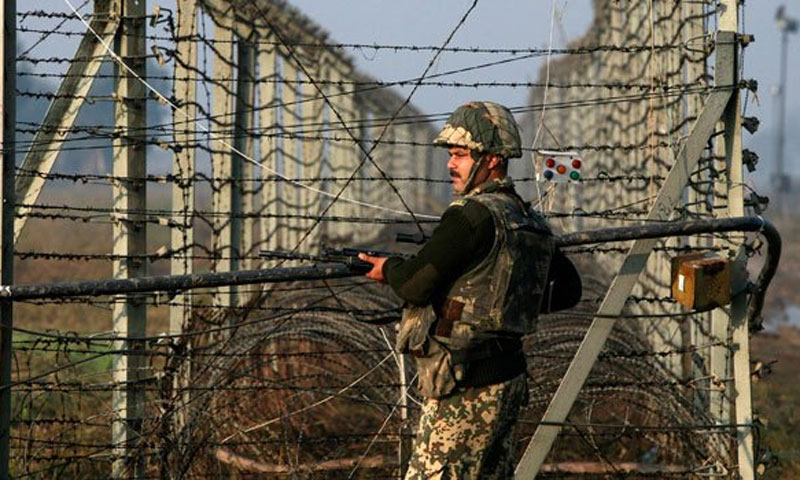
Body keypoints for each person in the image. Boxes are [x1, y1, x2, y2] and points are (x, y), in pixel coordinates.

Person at [358, 101, 559, 479]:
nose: (452, 164)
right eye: (451, 155)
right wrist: (501, 297)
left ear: (493, 159)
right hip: (508, 379)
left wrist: (389, 269)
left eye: (462, 155)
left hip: (464, 385)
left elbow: (416, 284)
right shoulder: (527, 218)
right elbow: (565, 290)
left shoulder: (470, 216)